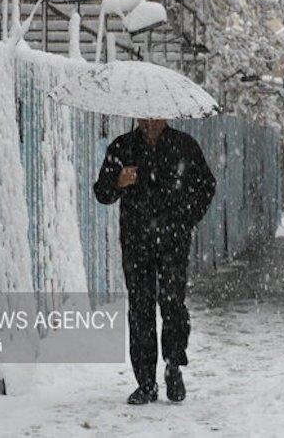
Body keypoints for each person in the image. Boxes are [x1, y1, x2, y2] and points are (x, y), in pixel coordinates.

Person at [93, 119, 216, 405]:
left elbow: (206, 185)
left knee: (172, 302)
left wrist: (186, 218)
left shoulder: (184, 146)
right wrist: (117, 181)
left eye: (155, 114)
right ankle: (146, 382)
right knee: (140, 308)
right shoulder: (123, 147)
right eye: (144, 114)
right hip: (137, 243)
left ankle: (173, 365)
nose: (149, 120)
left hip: (173, 241)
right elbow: (102, 193)